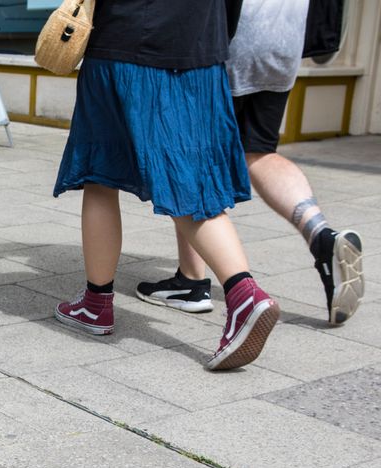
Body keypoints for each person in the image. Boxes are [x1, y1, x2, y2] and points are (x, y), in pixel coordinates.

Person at [53, 0, 280, 371]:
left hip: (126, 42)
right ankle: (242, 293)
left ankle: (96, 305)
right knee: (191, 177)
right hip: (202, 51)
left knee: (100, 173)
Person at [135, 0, 364, 325]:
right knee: (259, 151)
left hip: (230, 36)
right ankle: (322, 235)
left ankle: (191, 282)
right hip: (285, 40)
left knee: (188, 154)